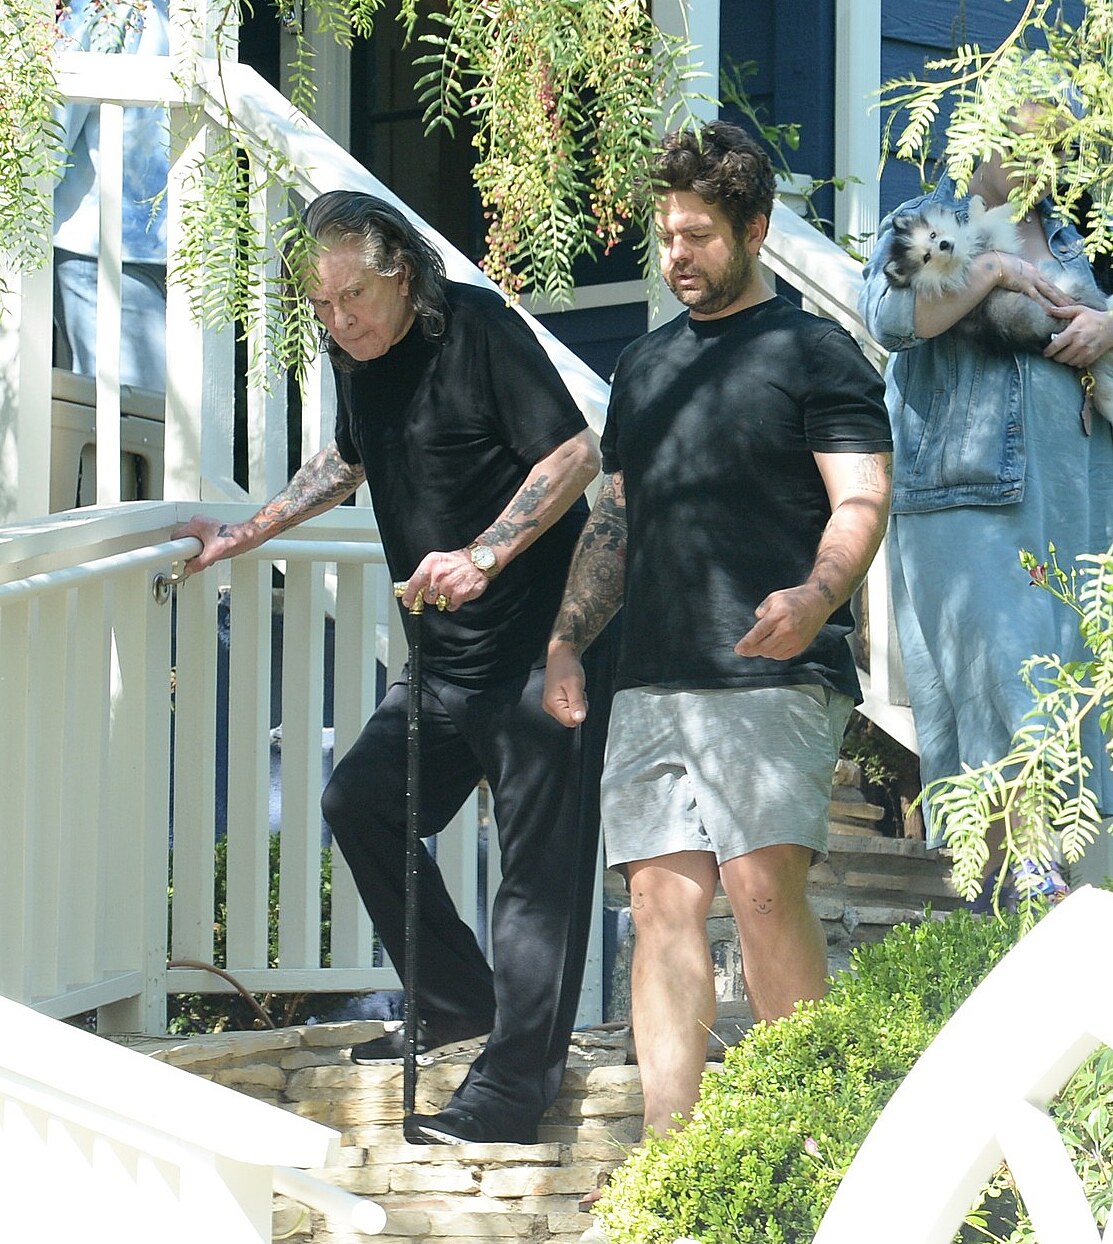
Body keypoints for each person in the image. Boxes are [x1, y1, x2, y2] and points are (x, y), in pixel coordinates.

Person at [174, 190, 608, 1146]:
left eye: (353, 297)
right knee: (359, 802)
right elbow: (348, 459)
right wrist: (243, 534)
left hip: (540, 648)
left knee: (536, 874)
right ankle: (452, 999)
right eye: (320, 305)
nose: (339, 320)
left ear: (402, 272)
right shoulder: (357, 355)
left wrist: (485, 554)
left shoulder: (479, 330)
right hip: (443, 657)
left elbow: (576, 452)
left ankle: (511, 1092)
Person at [543, 121, 893, 1146]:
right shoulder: (645, 365)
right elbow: (615, 516)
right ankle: (671, 1154)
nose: (676, 256)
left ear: (755, 228)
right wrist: (567, 640)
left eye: (697, 235)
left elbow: (862, 499)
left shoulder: (814, 352)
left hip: (771, 669)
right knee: (660, 901)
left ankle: (813, 1137)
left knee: (761, 891)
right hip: (651, 674)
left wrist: (817, 596)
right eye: (666, 236)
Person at [859, 96, 1113, 892]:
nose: (1043, 165)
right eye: (1027, 145)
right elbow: (892, 316)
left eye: (1057, 149)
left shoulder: (1079, 242)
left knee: (1068, 703)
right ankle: (1023, 899)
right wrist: (995, 268)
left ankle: (1057, 920)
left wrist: (1109, 327)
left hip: (1077, 510)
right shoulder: (929, 221)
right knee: (1005, 697)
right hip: (968, 507)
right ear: (981, 138)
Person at [53, 0, 170, 391]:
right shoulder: (104, 10)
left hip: (178, 252)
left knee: (168, 413)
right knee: (135, 413)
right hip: (103, 249)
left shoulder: (196, 14)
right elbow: (50, 132)